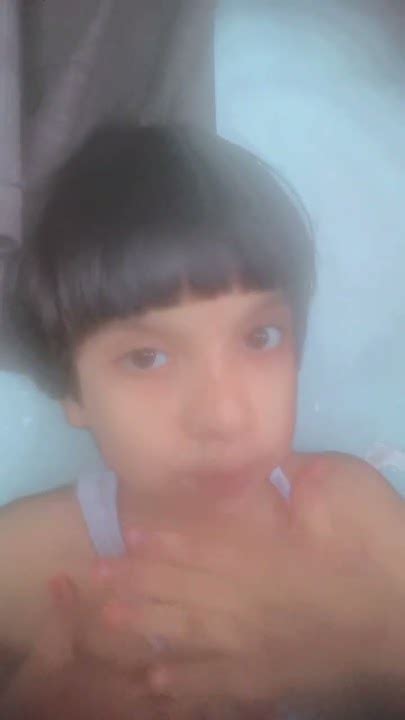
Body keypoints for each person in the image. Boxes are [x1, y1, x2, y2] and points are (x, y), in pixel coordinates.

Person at [1, 123, 403, 718]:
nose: (223, 417)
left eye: (261, 337)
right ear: (73, 392)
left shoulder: (353, 519)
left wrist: (371, 649)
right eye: (147, 357)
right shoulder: (24, 565)